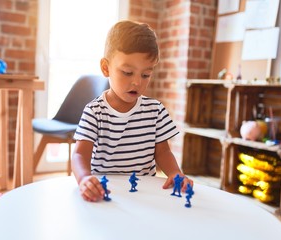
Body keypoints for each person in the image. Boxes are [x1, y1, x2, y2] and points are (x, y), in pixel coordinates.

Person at [72, 20, 193, 202]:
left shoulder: (155, 111)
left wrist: (175, 173)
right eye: (128, 72)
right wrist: (84, 178)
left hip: (143, 193)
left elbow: (162, 152)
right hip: (105, 192)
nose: (137, 82)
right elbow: (80, 154)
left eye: (146, 75)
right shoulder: (94, 111)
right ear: (106, 68)